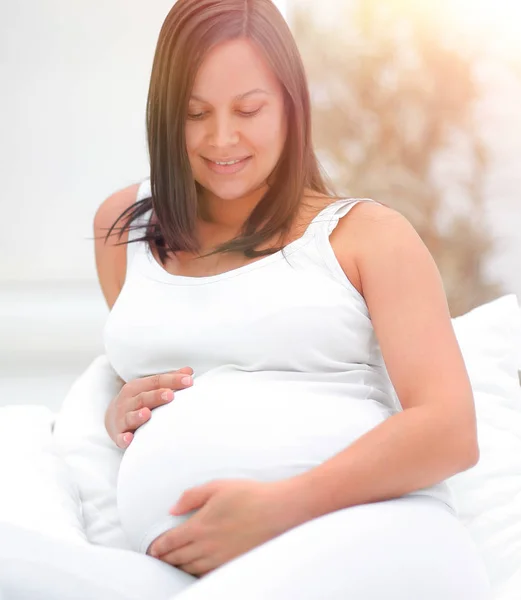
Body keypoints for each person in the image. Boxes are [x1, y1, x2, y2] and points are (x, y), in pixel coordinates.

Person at [0, 0, 491, 598]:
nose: (222, 138)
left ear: (291, 105)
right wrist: (120, 413)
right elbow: (155, 383)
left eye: (249, 109)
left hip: (370, 533)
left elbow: (449, 430)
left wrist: (279, 507)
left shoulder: (368, 236)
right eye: (195, 113)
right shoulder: (124, 231)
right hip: (191, 567)